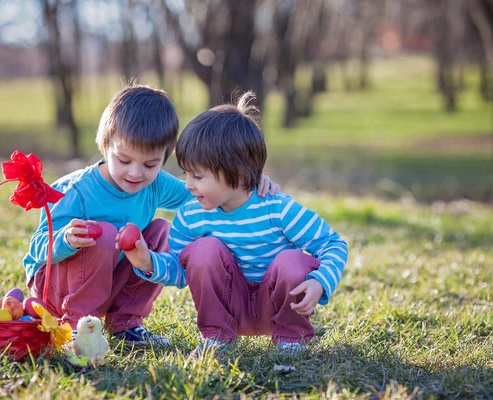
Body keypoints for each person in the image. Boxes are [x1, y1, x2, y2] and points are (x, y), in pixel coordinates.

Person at [24, 84, 279, 347]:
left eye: (149, 164)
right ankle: (75, 326)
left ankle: (126, 322)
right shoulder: (75, 191)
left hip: (105, 284)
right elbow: (36, 251)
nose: (135, 173)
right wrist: (65, 239)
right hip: (56, 291)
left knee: (161, 231)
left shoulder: (154, 184)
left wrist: (248, 186)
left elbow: (205, 195)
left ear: (164, 158)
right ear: (105, 145)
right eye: (124, 160)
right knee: (105, 233)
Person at [118, 92, 348, 353]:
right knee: (203, 250)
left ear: (238, 176)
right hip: (230, 307)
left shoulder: (277, 208)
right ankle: (217, 337)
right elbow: (181, 270)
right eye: (187, 174)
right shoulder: (191, 215)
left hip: (275, 307)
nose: (188, 185)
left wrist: (320, 281)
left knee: (291, 261)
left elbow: (333, 245)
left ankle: (291, 340)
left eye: (198, 176)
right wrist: (147, 262)